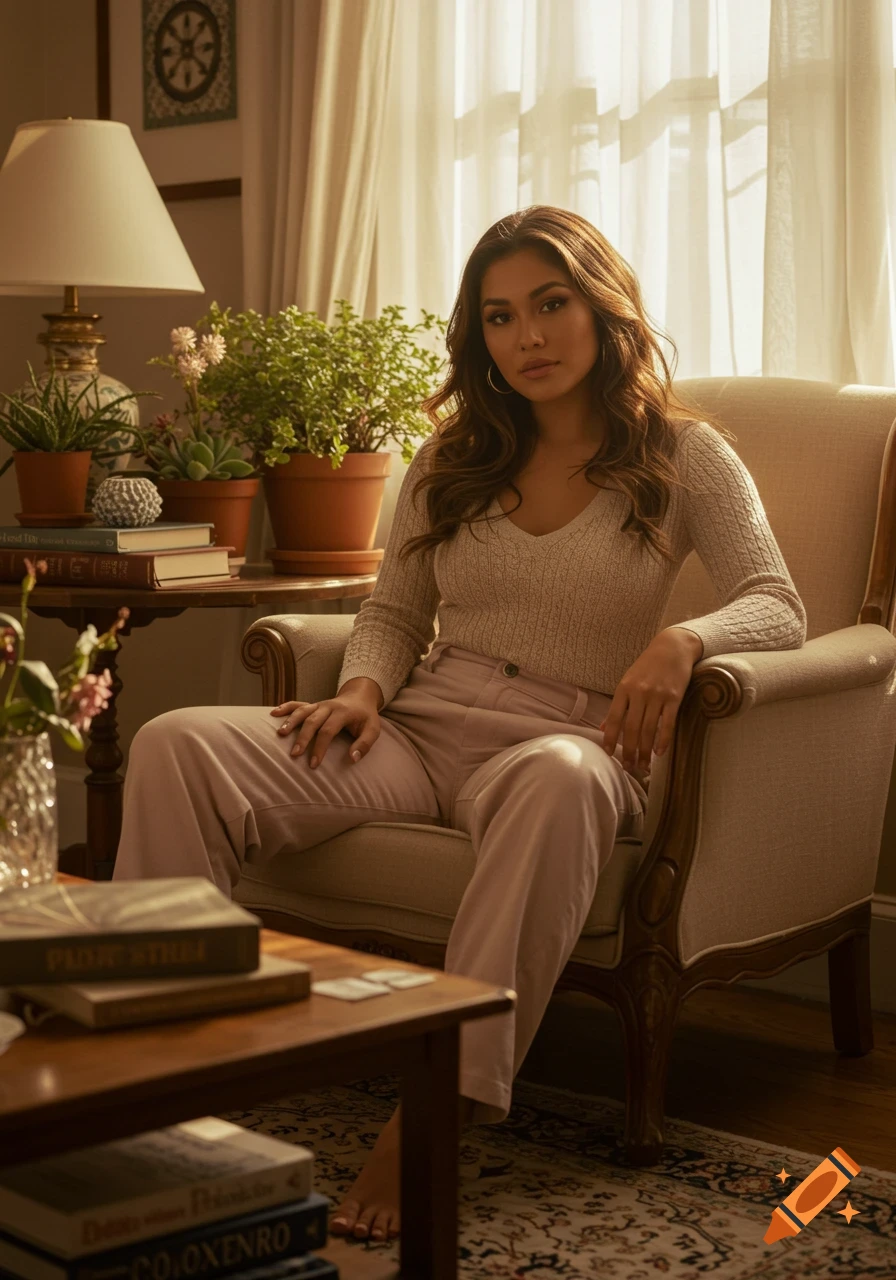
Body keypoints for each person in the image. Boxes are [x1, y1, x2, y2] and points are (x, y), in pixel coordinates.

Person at [113, 204, 807, 1244]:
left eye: (548, 303)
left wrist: (682, 641)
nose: (525, 335)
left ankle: (445, 1104)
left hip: (560, 741)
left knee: (565, 777)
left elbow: (777, 601)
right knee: (178, 743)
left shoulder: (681, 454)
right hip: (420, 723)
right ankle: (154, 1076)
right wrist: (360, 691)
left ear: (600, 305)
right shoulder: (453, 453)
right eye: (497, 316)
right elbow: (394, 611)